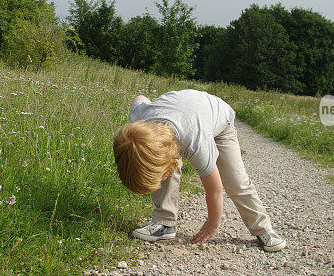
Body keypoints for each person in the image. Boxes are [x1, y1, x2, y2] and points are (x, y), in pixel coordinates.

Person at [113, 89, 286, 252]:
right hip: (184, 116)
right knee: (161, 165)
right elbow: (140, 98)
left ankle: (263, 228)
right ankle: (164, 223)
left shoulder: (197, 143)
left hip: (219, 122)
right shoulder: (140, 118)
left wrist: (212, 223)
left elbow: (215, 191)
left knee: (236, 181)